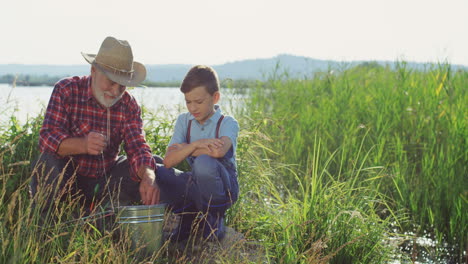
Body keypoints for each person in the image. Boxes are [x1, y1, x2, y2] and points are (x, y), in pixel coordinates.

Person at [30, 36, 160, 217]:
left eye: (122, 86)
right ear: (93, 70)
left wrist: (148, 176)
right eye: (111, 82)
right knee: (47, 163)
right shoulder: (67, 89)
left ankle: (106, 215)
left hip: (106, 181)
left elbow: (137, 147)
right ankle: (45, 224)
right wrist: (82, 145)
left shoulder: (129, 105)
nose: (115, 91)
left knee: (153, 165)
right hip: (69, 181)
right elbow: (46, 139)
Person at [156, 65, 239, 242]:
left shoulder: (228, 123)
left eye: (199, 102)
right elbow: (169, 160)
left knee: (203, 163)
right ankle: (188, 217)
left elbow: (218, 151)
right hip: (196, 184)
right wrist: (197, 144)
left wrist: (184, 148)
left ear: (215, 97)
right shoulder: (184, 121)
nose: (193, 108)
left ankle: (215, 218)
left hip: (224, 188)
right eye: (188, 102)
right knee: (157, 171)